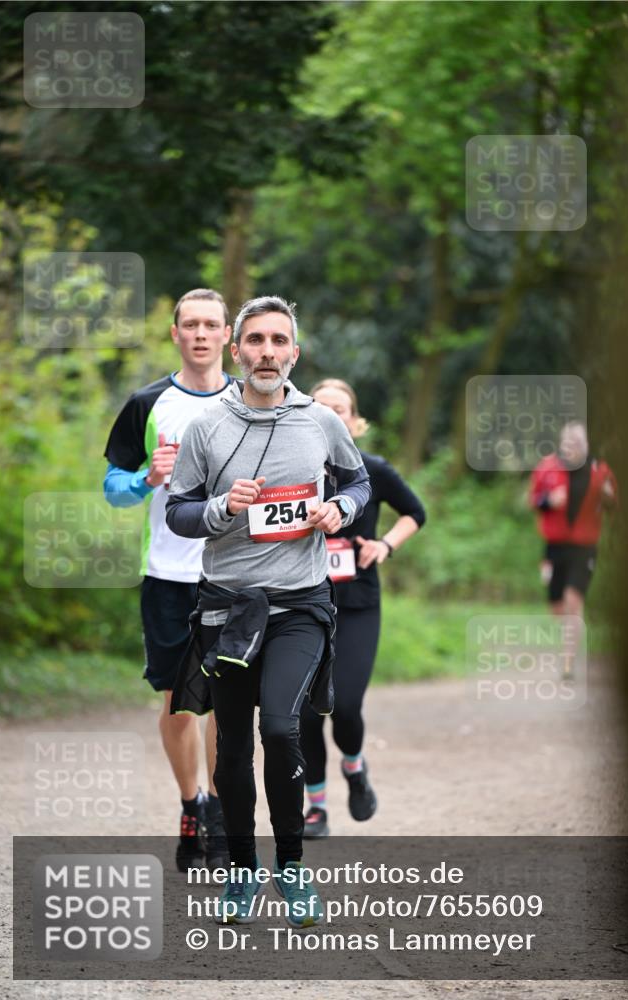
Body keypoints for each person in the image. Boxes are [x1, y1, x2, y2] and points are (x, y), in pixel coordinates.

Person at [165, 295, 371, 927]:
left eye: (279, 342)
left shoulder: (320, 421)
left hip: (300, 605)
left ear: (295, 353)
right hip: (229, 607)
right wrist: (225, 507)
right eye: (255, 341)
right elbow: (179, 513)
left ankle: (290, 866)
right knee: (230, 751)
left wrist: (343, 511)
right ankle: (239, 871)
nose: (267, 353)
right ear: (238, 349)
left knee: (280, 729)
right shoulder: (207, 427)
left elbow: (358, 483)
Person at [103, 288, 232, 871]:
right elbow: (112, 487)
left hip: (238, 576)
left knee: (229, 704)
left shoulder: (256, 401)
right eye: (191, 324)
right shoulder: (147, 402)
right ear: (175, 333)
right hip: (168, 575)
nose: (201, 334)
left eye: (212, 325)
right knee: (181, 705)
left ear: (228, 335)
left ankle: (225, 813)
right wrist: (145, 480)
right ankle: (192, 805)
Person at [299, 379, 426, 838]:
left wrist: (385, 545)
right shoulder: (292, 470)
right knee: (306, 713)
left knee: (346, 705)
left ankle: (353, 766)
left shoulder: (373, 470)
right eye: (323, 408)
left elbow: (415, 512)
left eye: (342, 410)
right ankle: (315, 807)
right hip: (301, 603)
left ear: (355, 422)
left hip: (357, 604)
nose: (333, 417)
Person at [529, 421, 617, 679]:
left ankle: (568, 662)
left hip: (584, 547)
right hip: (554, 547)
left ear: (586, 444)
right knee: (557, 606)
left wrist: (608, 496)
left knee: (573, 600)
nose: (573, 448)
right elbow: (533, 500)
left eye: (578, 443)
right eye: (569, 443)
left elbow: (613, 507)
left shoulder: (600, 471)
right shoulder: (547, 468)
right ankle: (568, 641)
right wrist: (548, 500)